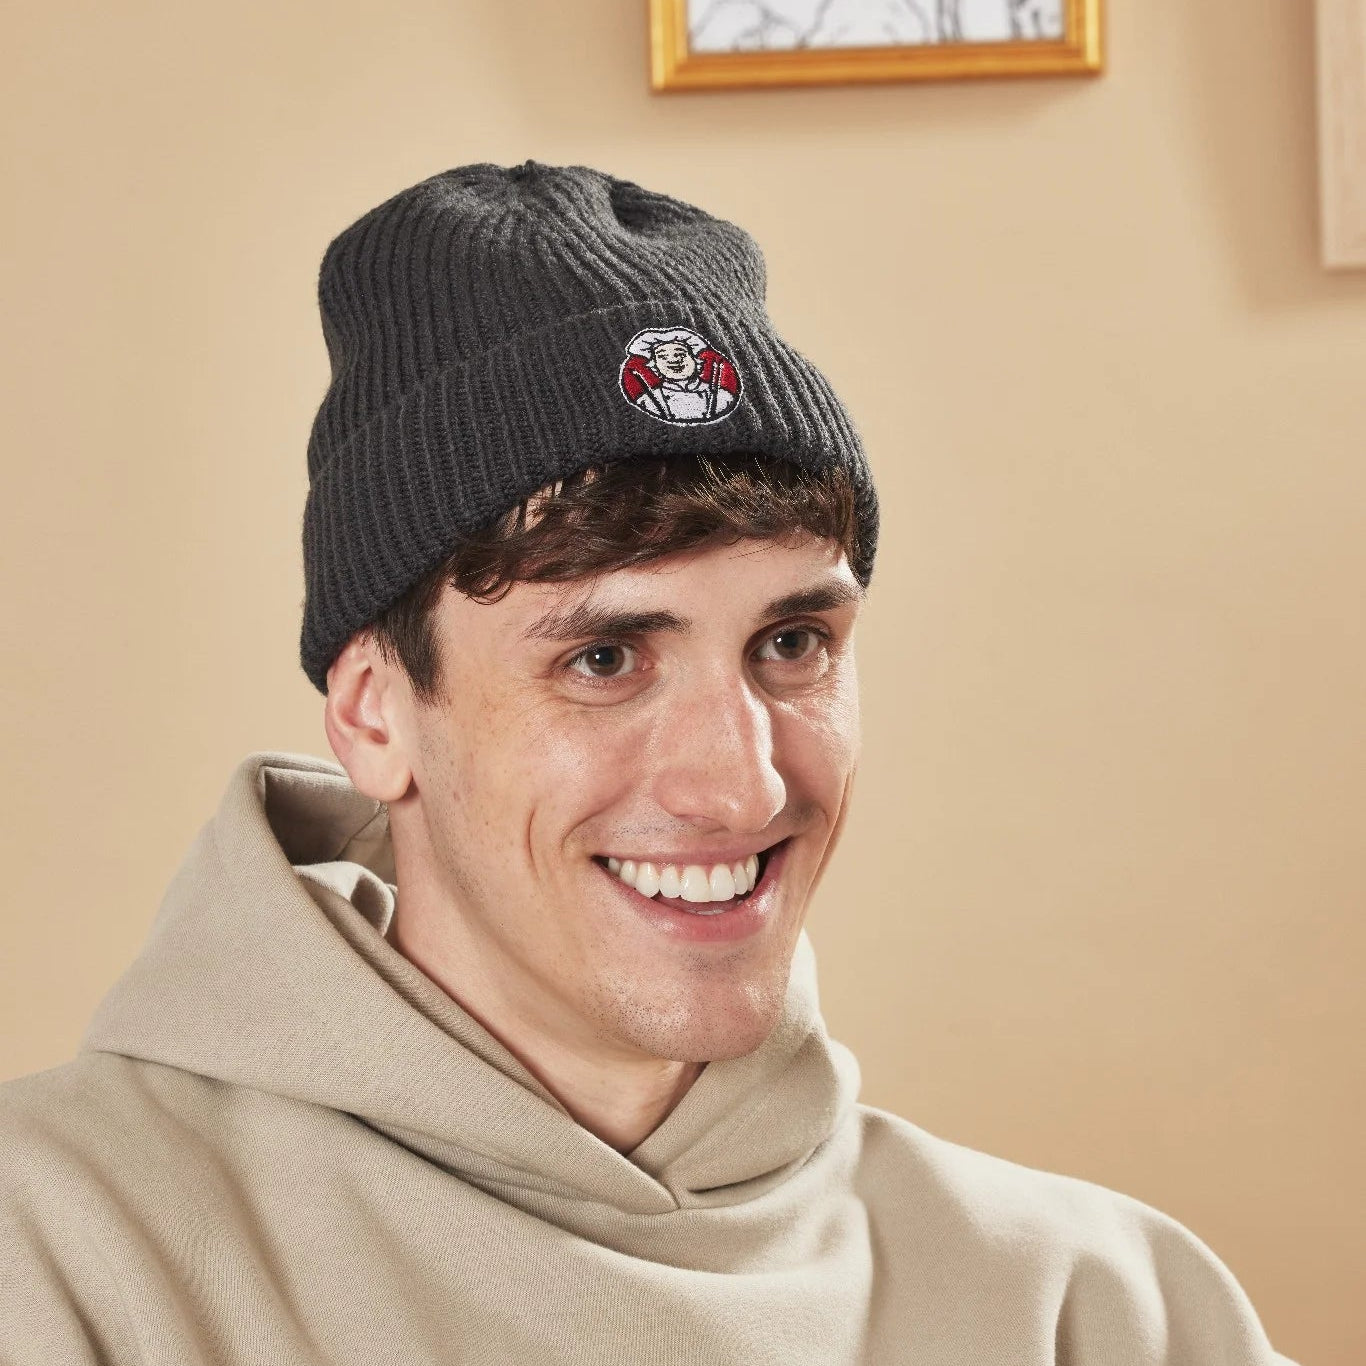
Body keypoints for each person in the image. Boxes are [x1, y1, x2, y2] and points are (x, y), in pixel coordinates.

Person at [0, 161, 1297, 1365]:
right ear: (375, 711)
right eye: (605, 659)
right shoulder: (57, 1249)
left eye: (791, 640)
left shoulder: (1103, 1303)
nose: (740, 786)